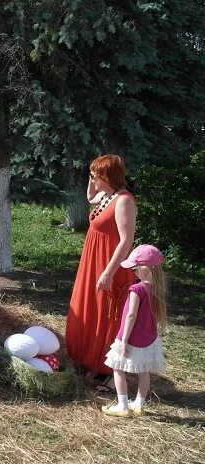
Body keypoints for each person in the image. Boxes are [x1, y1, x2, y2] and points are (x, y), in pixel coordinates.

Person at [66, 155, 137, 391]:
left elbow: (126, 241)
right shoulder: (106, 196)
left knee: (109, 316)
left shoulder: (124, 201)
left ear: (107, 176)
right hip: (93, 261)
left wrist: (108, 272)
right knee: (92, 309)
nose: (93, 178)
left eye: (96, 175)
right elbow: (89, 198)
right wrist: (90, 179)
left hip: (111, 265)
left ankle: (107, 371)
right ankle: (90, 361)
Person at [101, 244, 167, 417]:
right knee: (144, 371)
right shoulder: (157, 289)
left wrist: (124, 340)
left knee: (117, 368)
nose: (133, 272)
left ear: (144, 270)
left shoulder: (137, 289)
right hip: (148, 339)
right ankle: (139, 405)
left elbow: (131, 315)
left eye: (135, 269)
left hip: (130, 338)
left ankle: (122, 405)